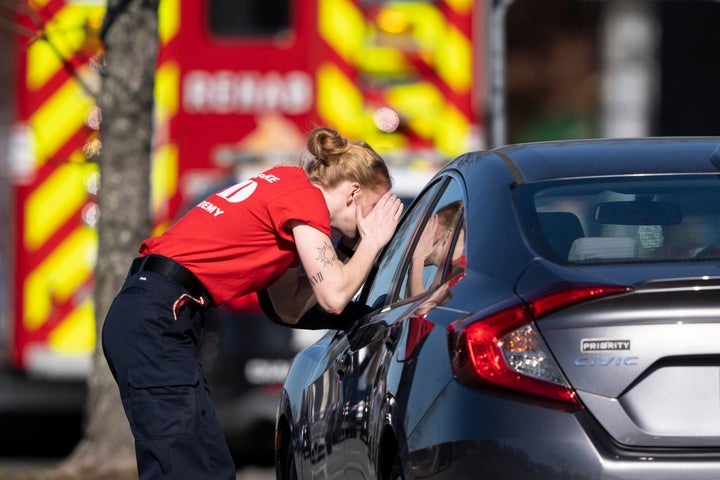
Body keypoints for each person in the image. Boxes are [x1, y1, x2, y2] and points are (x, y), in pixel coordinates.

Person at [101, 127, 403, 480]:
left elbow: (289, 306)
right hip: (154, 318)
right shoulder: (305, 200)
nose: (381, 220)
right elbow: (334, 296)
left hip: (160, 316)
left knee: (212, 467)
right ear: (353, 191)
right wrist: (372, 242)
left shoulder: (289, 193)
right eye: (377, 207)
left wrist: (352, 256)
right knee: (179, 467)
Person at [407, 200, 464, 297]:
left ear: (450, 234)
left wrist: (418, 259)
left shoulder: (462, 274)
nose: (422, 236)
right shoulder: (445, 276)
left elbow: (423, 308)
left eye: (434, 226)